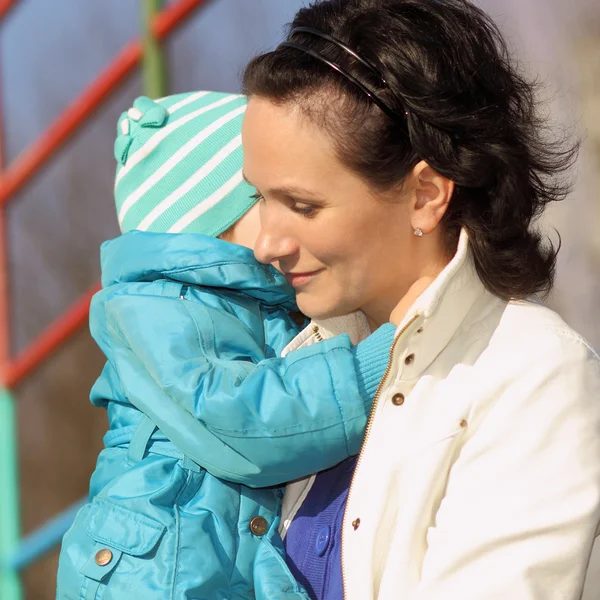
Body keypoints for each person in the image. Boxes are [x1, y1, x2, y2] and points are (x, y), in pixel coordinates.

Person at [239, 0, 600, 598]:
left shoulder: (534, 375)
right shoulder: (286, 363)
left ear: (425, 195)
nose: (266, 244)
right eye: (259, 197)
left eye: (303, 205)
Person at [55, 91, 395, 600]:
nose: (286, 218)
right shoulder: (156, 309)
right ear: (208, 221)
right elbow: (243, 419)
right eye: (264, 198)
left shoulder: (255, 304)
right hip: (154, 569)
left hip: (214, 555)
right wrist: (375, 362)